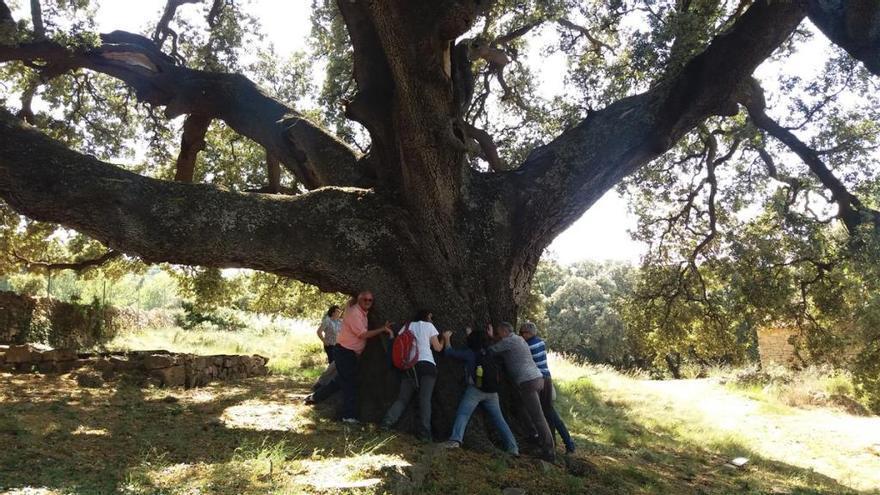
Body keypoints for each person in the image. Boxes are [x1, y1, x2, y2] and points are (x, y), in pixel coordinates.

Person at [439, 326, 519, 455]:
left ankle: (455, 440)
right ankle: (513, 447)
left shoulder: (470, 353)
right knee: (499, 420)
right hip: (493, 392)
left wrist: (447, 339)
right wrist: (472, 334)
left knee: (463, 414)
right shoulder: (490, 351)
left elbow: (449, 352)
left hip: (475, 390)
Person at [489, 321, 555, 461]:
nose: (498, 335)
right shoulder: (518, 339)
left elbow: (491, 350)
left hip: (528, 382)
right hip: (537, 378)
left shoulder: (508, 341)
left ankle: (548, 449)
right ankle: (533, 434)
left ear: (504, 332)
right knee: (520, 407)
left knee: (537, 416)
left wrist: (489, 338)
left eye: (499, 333)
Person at [380, 309, 443, 441]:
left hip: (410, 366)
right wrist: (445, 339)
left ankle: (386, 423)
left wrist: (391, 333)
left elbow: (399, 342)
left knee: (402, 399)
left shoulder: (408, 326)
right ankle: (425, 435)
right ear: (427, 316)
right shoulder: (429, 326)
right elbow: (437, 348)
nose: (432, 319)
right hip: (427, 365)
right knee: (425, 400)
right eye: (431, 317)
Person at [335, 291, 392, 423]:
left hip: (349, 352)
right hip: (345, 352)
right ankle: (348, 416)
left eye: (370, 300)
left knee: (341, 380)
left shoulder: (353, 307)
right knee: (350, 383)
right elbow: (362, 335)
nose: (367, 302)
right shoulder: (354, 313)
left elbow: (349, 302)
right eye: (364, 300)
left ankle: (317, 396)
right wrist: (382, 329)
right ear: (359, 300)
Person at [520, 321, 576, 454]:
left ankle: (564, 443)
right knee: (549, 412)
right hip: (547, 378)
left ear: (528, 333)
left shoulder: (528, 346)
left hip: (539, 380)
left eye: (522, 333)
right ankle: (564, 442)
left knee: (545, 413)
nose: (521, 336)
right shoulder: (540, 342)